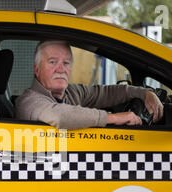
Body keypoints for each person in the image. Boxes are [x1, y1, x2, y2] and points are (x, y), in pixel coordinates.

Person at [15, 40, 164, 129]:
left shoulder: (72, 92)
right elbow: (58, 115)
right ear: (37, 69)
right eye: (52, 62)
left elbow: (106, 93)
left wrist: (144, 93)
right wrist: (114, 118)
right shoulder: (27, 101)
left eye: (66, 63)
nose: (60, 69)